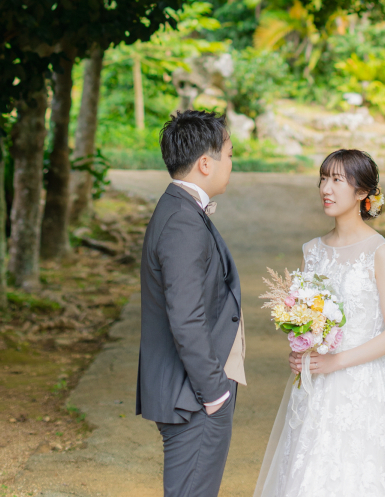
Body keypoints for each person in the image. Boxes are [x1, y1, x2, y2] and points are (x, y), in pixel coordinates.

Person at [254, 148, 385, 497]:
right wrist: (301, 348)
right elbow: (307, 318)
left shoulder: (379, 251)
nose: (326, 188)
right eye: (323, 178)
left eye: (337, 180)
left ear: (363, 192)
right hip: (316, 385)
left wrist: (338, 361)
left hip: (364, 385)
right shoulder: (312, 250)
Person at [137, 110, 246, 497]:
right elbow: (185, 318)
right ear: (205, 163)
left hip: (190, 393)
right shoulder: (183, 221)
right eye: (230, 154)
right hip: (195, 397)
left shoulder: (178, 209)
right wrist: (215, 392)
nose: (232, 163)